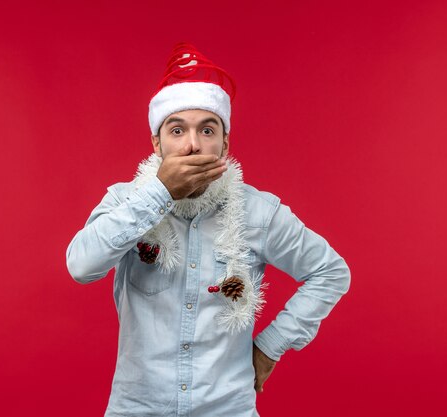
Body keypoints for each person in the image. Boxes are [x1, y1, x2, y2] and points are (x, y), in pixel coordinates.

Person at [65, 42, 351, 417]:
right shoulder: (125, 201)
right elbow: (81, 266)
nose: (193, 145)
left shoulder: (258, 211)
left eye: (208, 130)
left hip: (227, 407)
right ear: (157, 143)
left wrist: (270, 346)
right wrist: (159, 193)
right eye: (177, 130)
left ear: (225, 143)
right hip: (137, 407)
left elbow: (330, 271)